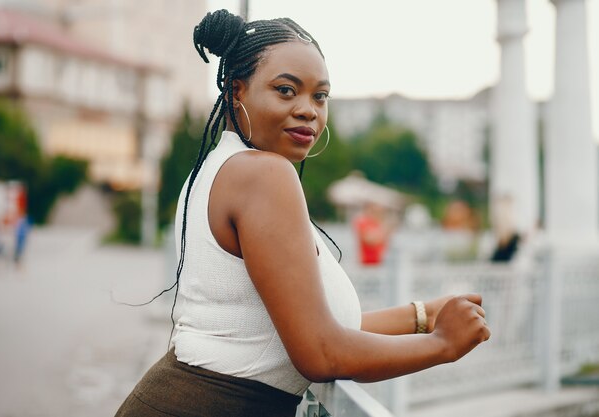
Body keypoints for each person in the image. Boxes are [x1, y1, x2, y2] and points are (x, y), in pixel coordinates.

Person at [116, 10, 490, 417]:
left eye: (320, 96)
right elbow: (320, 352)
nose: (309, 110)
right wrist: (442, 346)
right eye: (286, 90)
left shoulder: (216, 168)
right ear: (235, 92)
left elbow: (294, 325)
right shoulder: (264, 174)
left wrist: (422, 315)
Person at [353, 200, 395, 265]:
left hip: (380, 262)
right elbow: (369, 240)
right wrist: (385, 232)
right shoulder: (362, 221)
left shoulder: (377, 222)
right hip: (367, 263)